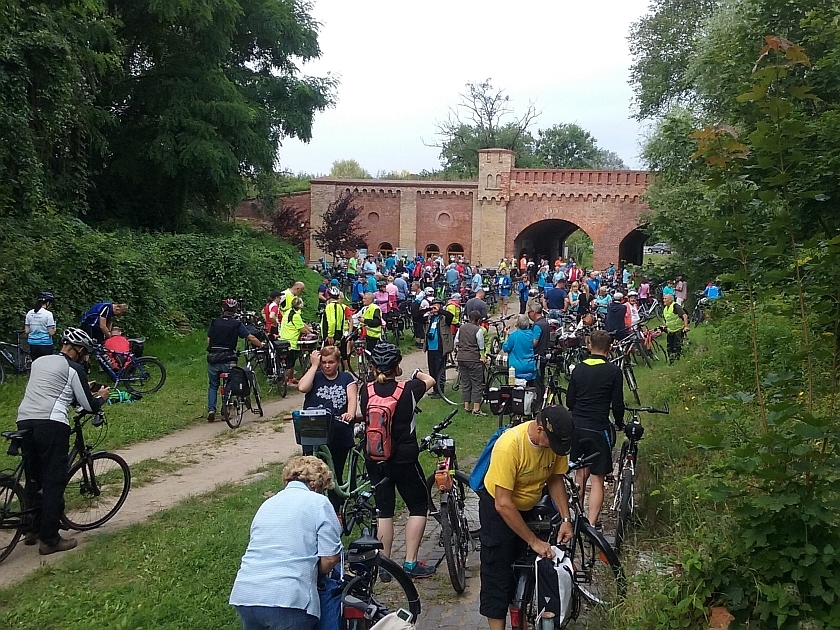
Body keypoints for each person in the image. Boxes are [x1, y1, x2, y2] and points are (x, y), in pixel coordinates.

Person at [478, 405, 576, 630]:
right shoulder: (510, 445)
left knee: (528, 568)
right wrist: (533, 540)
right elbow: (503, 503)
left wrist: (566, 518)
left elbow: (555, 479)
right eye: (553, 442)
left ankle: (520, 619)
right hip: (498, 508)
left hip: (529, 505)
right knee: (497, 572)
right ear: (540, 429)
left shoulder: (554, 444)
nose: (555, 448)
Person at [16, 327, 110, 554]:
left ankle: (31, 529)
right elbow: (88, 406)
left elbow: (50, 388)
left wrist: (77, 390)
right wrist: (101, 397)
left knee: (33, 477)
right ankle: (50, 540)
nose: (84, 356)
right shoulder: (74, 368)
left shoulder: (39, 362)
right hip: (51, 424)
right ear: (77, 349)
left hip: (24, 420)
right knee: (53, 481)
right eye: (84, 352)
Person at [229, 455, 342, 630]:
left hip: (246, 594)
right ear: (318, 485)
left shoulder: (268, 504)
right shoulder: (319, 502)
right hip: (287, 599)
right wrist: (311, 572)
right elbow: (330, 558)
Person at [361, 344, 438, 578]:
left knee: (384, 510)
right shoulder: (410, 389)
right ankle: (410, 563)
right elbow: (431, 380)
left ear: (373, 368)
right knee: (417, 506)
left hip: (375, 457)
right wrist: (414, 373)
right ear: (397, 366)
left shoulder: (366, 390)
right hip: (404, 458)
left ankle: (385, 565)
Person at [566, 330, 625, 528]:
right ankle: (591, 524)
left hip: (578, 427)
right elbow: (617, 404)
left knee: (580, 474)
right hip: (599, 428)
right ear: (610, 349)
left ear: (589, 346)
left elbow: (570, 401)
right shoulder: (614, 371)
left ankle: (577, 518)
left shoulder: (578, 369)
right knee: (598, 479)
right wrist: (619, 422)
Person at [298, 347, 358, 510]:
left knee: (333, 473)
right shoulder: (315, 377)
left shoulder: (346, 378)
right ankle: (314, 508)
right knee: (311, 474)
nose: (327, 366)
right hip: (313, 431)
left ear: (338, 362)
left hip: (338, 431)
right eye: (323, 363)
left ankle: (334, 509)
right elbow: (302, 387)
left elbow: (352, 398)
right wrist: (313, 366)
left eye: (331, 362)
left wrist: (350, 414)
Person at [207, 299, 264, 422]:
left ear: (223, 309)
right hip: (228, 358)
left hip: (213, 358)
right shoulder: (237, 324)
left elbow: (208, 340)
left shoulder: (215, 322)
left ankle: (211, 409)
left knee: (213, 385)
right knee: (229, 383)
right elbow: (250, 337)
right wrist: (261, 345)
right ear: (235, 310)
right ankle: (225, 410)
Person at [455, 310, 487, 416]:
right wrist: (483, 356)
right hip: (473, 359)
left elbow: (456, 341)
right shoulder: (478, 330)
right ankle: (476, 409)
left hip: (461, 358)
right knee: (476, 383)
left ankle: (466, 406)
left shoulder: (461, 328)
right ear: (478, 320)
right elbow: (481, 345)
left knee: (466, 382)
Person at [279, 297, 312, 386]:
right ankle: (287, 381)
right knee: (291, 362)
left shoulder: (288, 312)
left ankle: (290, 378)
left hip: (283, 340)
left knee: (289, 361)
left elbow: (301, 323)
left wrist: (310, 329)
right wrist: (310, 332)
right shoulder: (295, 315)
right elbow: (302, 329)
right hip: (291, 342)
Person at [424, 298, 454, 392]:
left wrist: (440, 310)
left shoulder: (444, 318)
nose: (435, 307)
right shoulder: (430, 318)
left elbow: (450, 316)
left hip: (440, 348)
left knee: (439, 370)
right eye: (433, 305)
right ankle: (435, 390)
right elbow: (416, 316)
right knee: (432, 370)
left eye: (437, 305)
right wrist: (428, 310)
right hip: (431, 348)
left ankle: (441, 390)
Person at [502, 315, 537, 382]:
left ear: (517, 324)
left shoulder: (514, 335)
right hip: (530, 366)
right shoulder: (530, 334)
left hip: (516, 367)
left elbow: (506, 348)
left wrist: (506, 336)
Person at [25, 291, 57, 361]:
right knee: (45, 365)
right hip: (45, 344)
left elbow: (27, 331)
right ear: (47, 303)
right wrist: (55, 325)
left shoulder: (30, 313)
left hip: (33, 343)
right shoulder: (48, 314)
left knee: (35, 363)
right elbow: (51, 332)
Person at [662, 293, 689, 361]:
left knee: (676, 347)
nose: (663, 300)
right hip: (670, 331)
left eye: (665, 299)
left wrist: (686, 326)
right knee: (669, 347)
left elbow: (684, 315)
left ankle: (677, 360)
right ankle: (671, 362)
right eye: (663, 299)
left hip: (678, 330)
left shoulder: (675, 306)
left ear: (670, 300)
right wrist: (664, 326)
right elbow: (667, 319)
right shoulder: (665, 309)